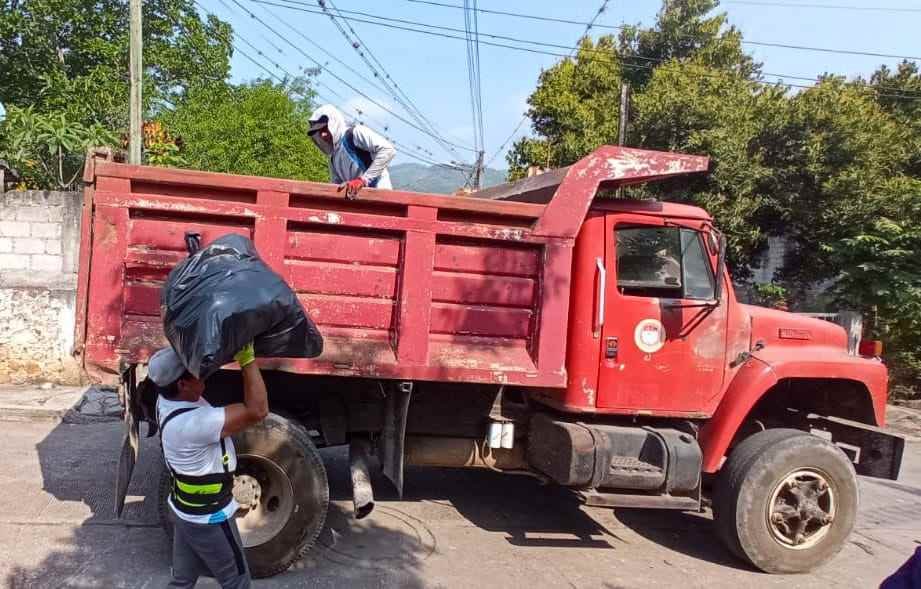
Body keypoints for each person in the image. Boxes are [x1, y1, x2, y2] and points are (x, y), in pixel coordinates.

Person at [148, 343, 269, 589]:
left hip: (184, 511)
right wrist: (247, 360)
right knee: (238, 582)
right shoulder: (194, 423)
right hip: (209, 517)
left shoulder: (165, 399)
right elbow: (258, 411)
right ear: (182, 384)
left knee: (182, 581)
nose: (204, 373)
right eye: (198, 371)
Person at [307, 104, 396, 199]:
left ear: (334, 124)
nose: (323, 135)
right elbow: (336, 185)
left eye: (325, 129)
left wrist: (363, 180)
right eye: (320, 132)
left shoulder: (355, 134)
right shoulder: (333, 156)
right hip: (359, 202)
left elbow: (388, 150)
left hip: (379, 196)